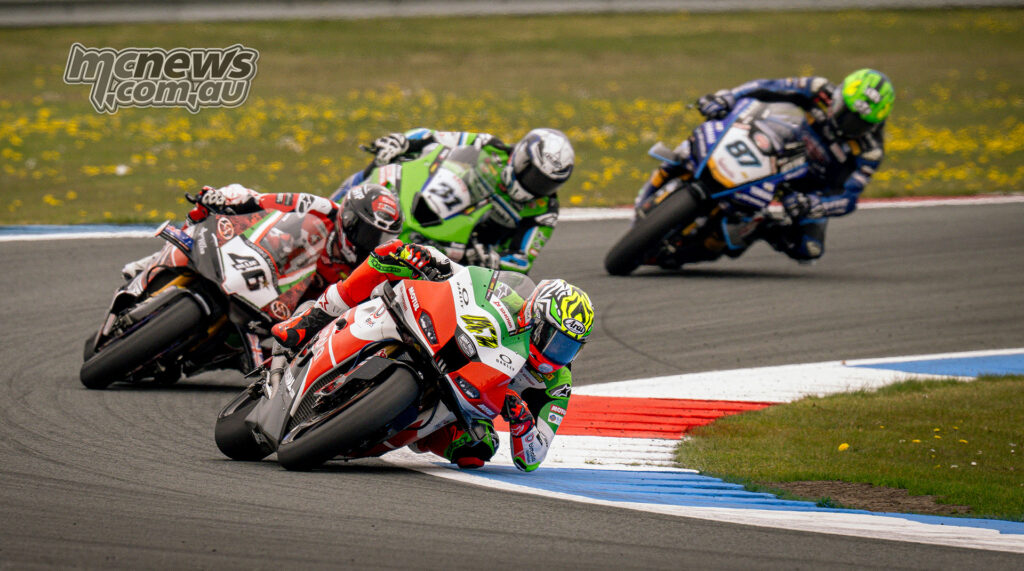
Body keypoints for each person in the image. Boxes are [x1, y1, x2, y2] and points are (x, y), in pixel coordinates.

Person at [271, 239, 595, 472]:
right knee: (398, 251)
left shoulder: (556, 383)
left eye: (568, 347)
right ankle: (311, 318)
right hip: (440, 341)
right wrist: (433, 263)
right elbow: (466, 281)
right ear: (533, 317)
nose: (557, 354)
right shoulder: (509, 300)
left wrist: (523, 423)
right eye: (553, 340)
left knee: (478, 449)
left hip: (463, 405)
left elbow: (533, 457)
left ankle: (386, 430)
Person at [638, 68, 894, 263]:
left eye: (858, 123)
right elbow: (766, 87)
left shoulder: (870, 150)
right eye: (845, 112)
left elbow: (849, 198)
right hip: (778, 146)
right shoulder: (818, 89)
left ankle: (757, 226)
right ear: (837, 96)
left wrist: (814, 205)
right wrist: (728, 98)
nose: (847, 124)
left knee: (809, 249)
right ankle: (671, 169)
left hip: (807, 189)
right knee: (702, 140)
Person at [331, 127, 575, 273]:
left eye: (545, 183)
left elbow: (522, 261)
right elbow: (433, 137)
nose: (535, 185)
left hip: (464, 256)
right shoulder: (489, 146)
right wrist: (402, 142)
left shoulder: (544, 211)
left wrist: (494, 260)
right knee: (381, 165)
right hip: (437, 205)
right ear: (521, 156)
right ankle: (333, 207)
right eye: (533, 174)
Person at [120, 183, 403, 295]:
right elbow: (267, 201)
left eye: (381, 239)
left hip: (289, 310)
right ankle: (155, 259)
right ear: (349, 219)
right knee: (231, 192)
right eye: (369, 234)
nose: (371, 244)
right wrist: (228, 203)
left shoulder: (367, 273)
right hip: (265, 259)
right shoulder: (323, 206)